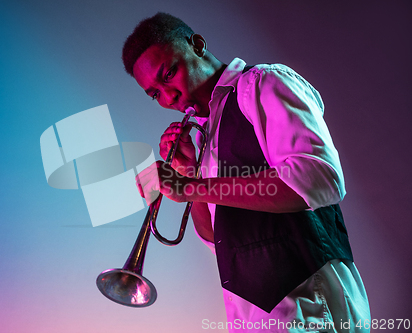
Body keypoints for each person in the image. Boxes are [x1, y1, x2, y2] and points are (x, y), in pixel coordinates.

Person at [124, 12, 371, 332]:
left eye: (170, 73)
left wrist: (189, 187)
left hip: (312, 308)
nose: (169, 97)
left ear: (197, 45)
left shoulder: (265, 83)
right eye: (155, 93)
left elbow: (318, 179)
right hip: (253, 319)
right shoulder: (206, 131)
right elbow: (218, 237)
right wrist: (189, 172)